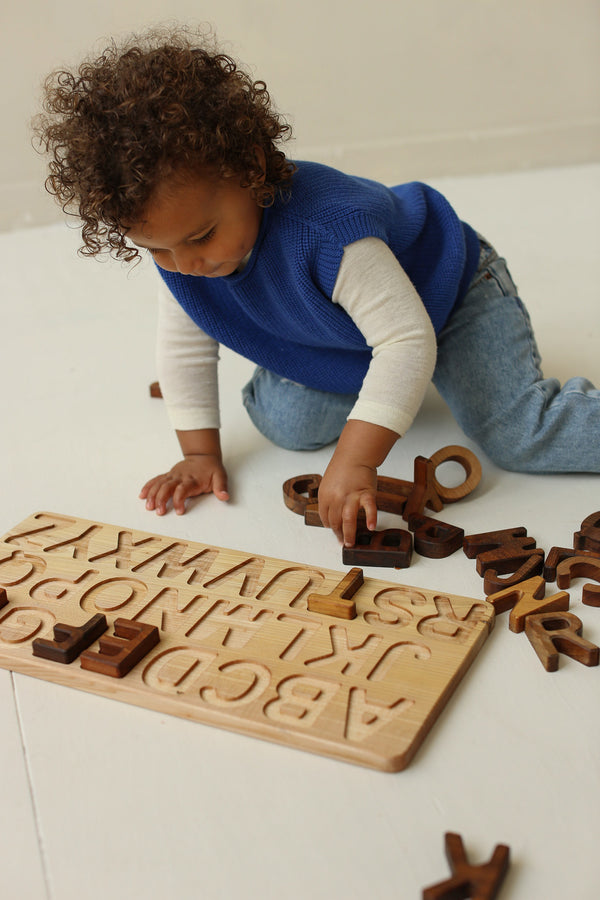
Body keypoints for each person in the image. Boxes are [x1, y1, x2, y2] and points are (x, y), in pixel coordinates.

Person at [34, 26, 600, 547]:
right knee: (287, 426)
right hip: (343, 330)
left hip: (448, 298)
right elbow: (185, 343)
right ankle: (338, 369)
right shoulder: (182, 256)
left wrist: (357, 459)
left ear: (252, 168)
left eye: (203, 235)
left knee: (516, 435)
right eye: (156, 247)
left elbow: (407, 341)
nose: (184, 263)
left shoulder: (328, 234)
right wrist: (199, 453)